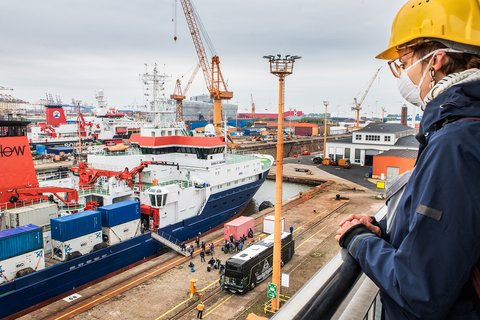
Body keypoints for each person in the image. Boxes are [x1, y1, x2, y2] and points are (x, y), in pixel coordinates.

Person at [335, 1, 480, 319]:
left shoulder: (457, 144)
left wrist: (359, 240)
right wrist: (383, 230)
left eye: (403, 63)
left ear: (436, 60)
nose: (402, 75)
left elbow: (420, 290)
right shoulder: (460, 128)